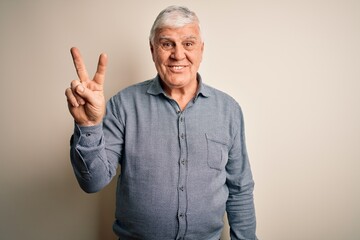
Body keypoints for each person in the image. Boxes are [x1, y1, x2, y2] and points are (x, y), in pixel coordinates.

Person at [65, 5, 257, 240]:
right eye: (167, 44)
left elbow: (240, 189)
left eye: (188, 44)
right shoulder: (123, 105)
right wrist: (89, 125)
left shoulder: (228, 110)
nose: (178, 54)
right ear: (152, 49)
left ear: (201, 49)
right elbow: (92, 182)